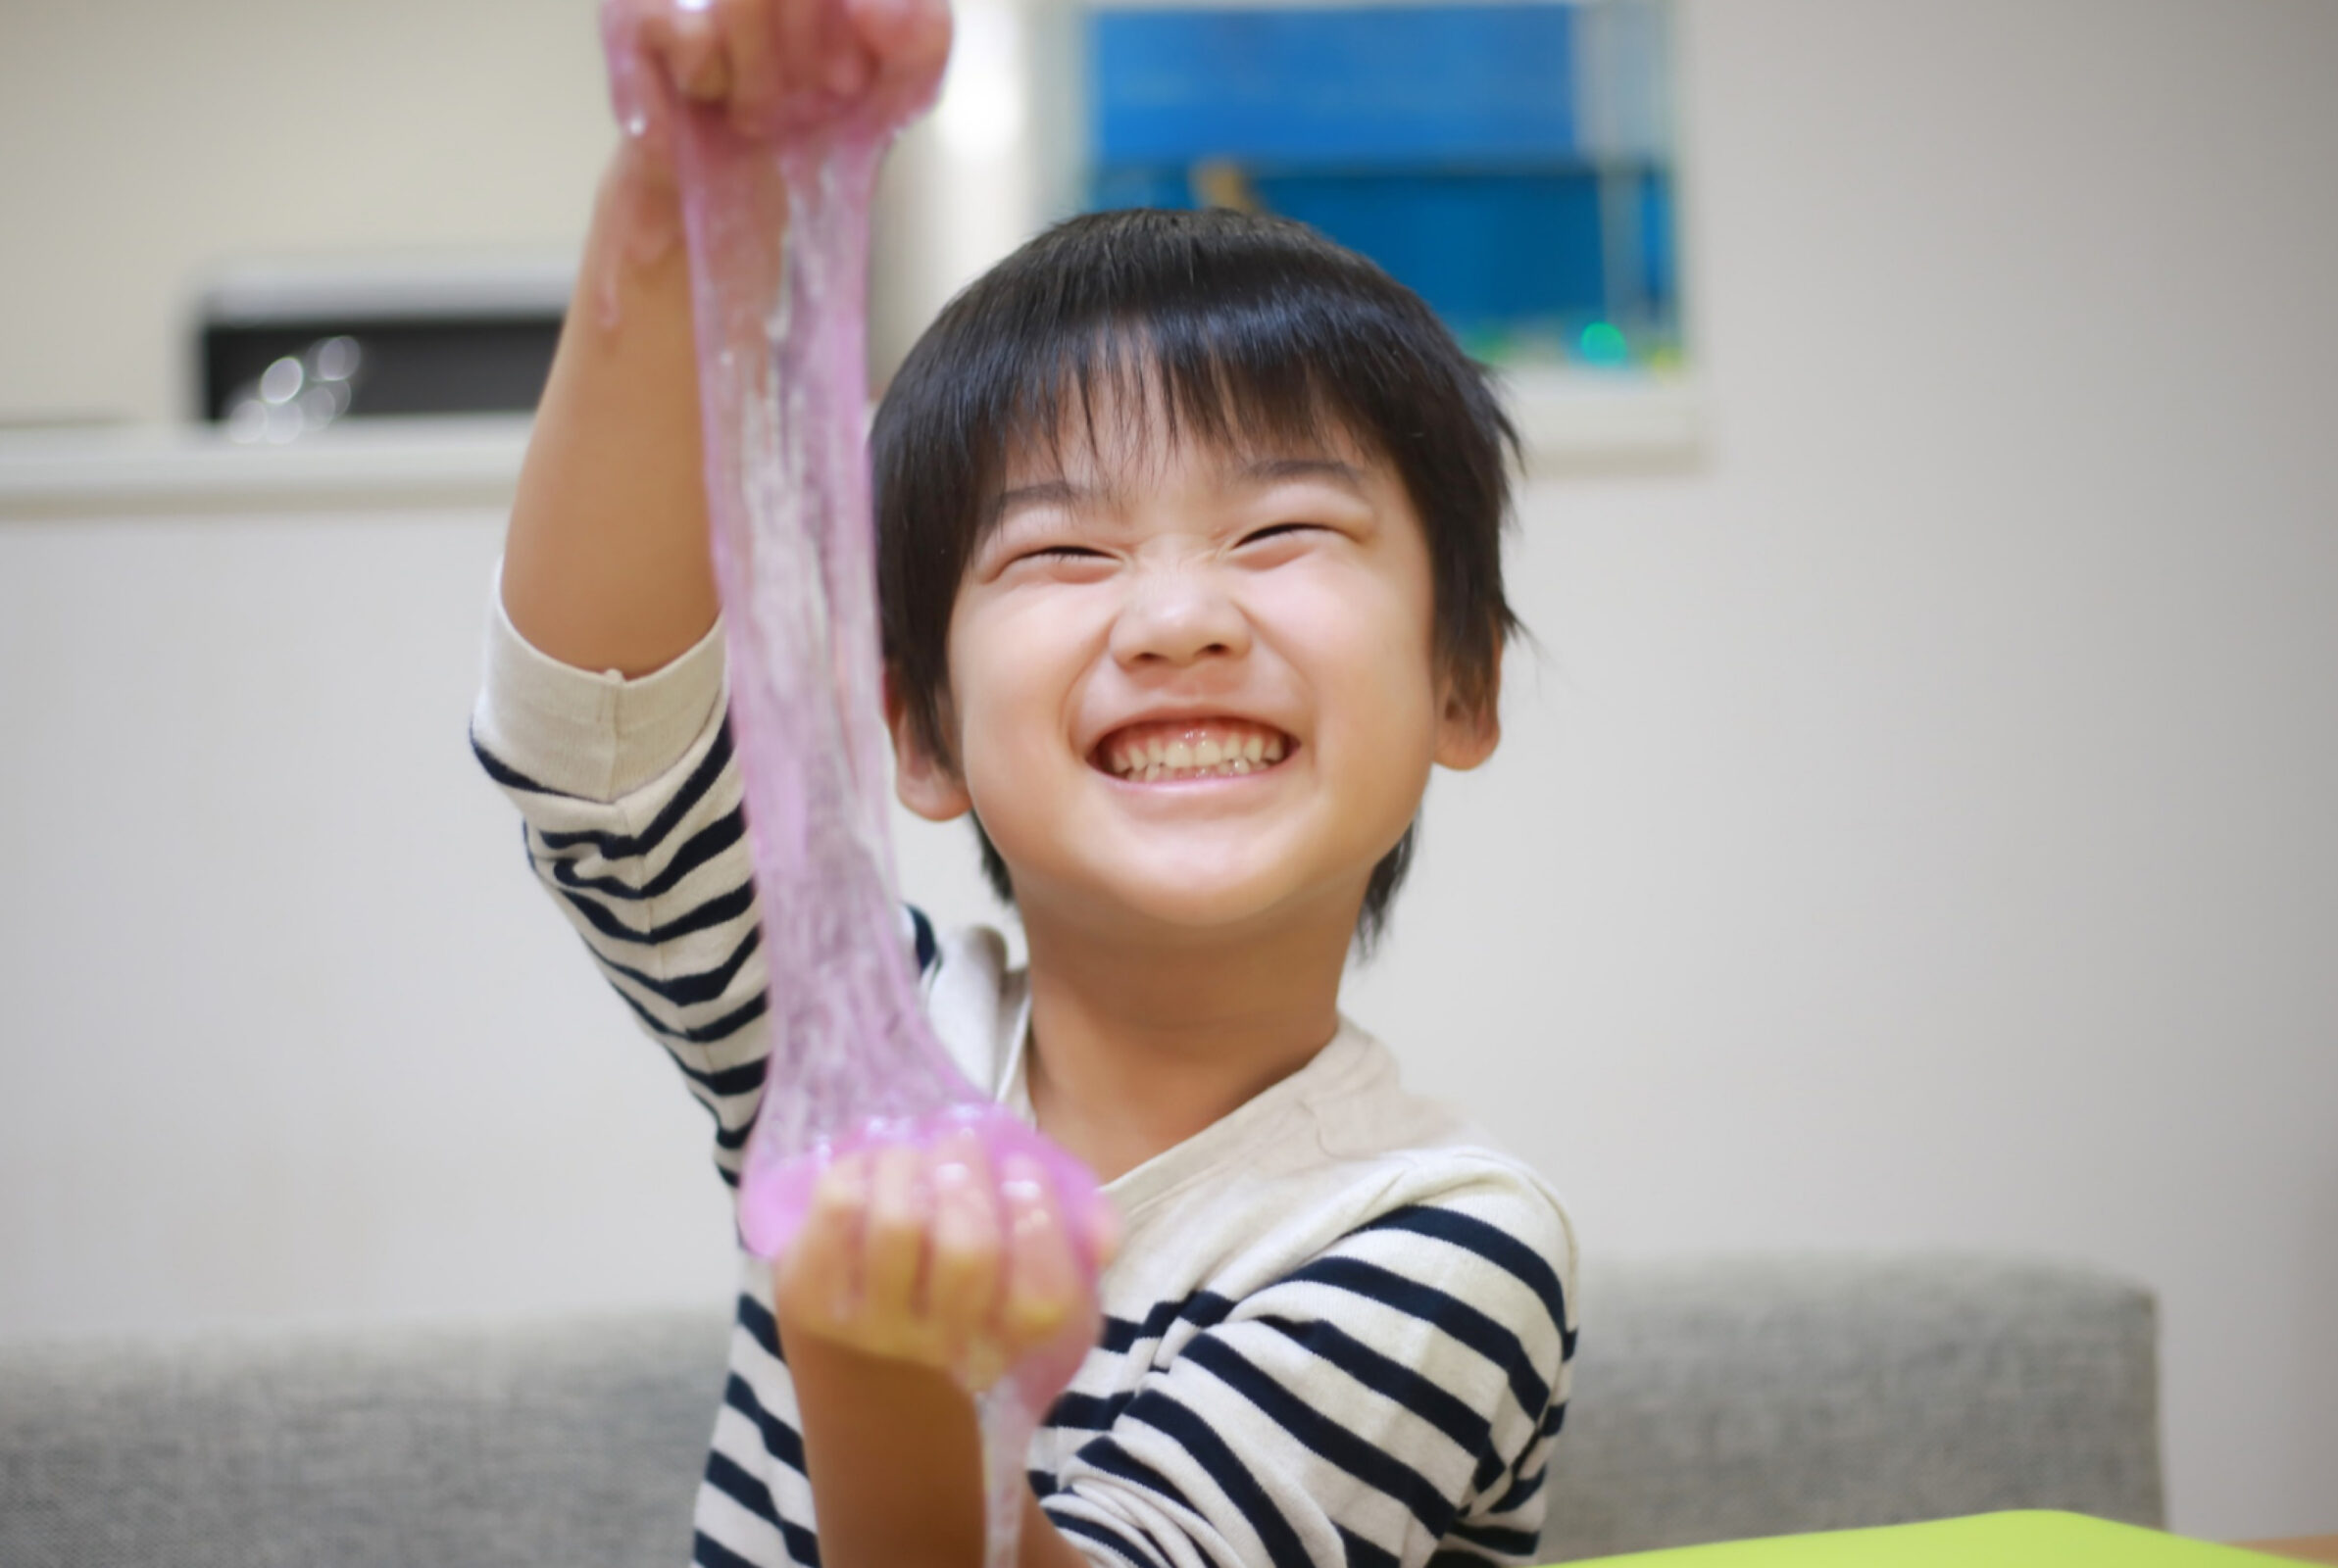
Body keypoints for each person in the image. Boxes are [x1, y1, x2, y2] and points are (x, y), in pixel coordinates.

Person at [471, 0, 1577, 1563]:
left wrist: (890, 1375)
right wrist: (683, 188)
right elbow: (602, 756)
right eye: (1064, 552)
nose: (1181, 617)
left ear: (1461, 681)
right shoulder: (857, 1046)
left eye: (1282, 535)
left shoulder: (1441, 1242)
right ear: (917, 737)